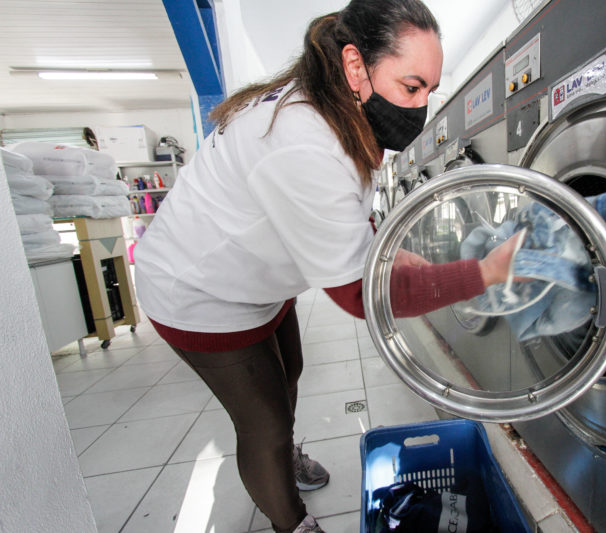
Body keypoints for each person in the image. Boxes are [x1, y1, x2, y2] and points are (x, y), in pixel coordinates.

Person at [133, 1, 521, 531]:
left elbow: (344, 214)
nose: (421, 105)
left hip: (257, 276)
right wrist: (483, 273)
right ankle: (292, 521)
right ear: (356, 66)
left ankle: (283, 455)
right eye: (412, 87)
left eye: (430, 90)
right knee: (263, 421)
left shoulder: (336, 111)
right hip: (199, 293)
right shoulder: (301, 139)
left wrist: (392, 248)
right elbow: (363, 294)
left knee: (287, 373)